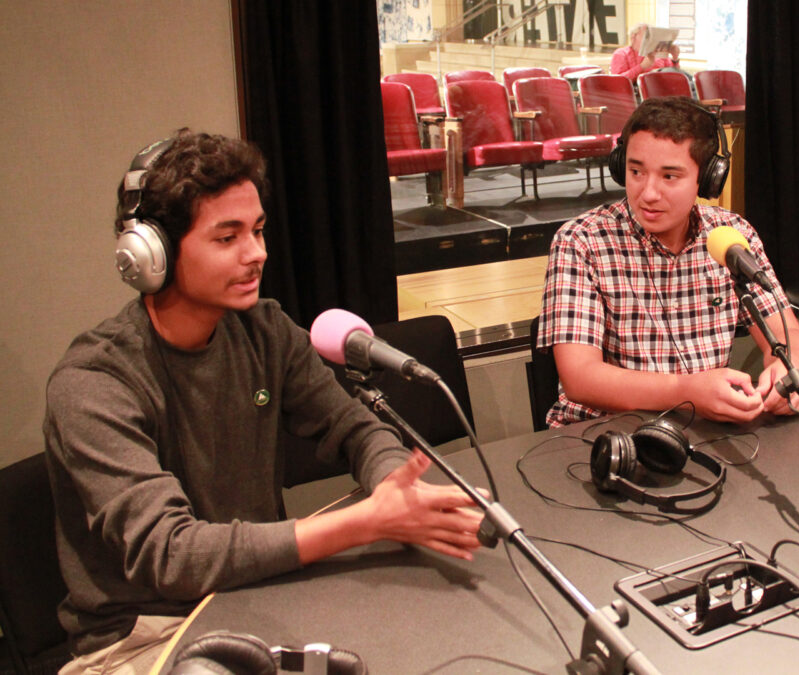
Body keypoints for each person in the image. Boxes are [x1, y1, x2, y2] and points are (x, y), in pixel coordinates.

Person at [43, 130, 484, 673]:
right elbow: (172, 555)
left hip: (253, 597)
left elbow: (355, 427)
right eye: (227, 238)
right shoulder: (94, 381)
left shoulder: (264, 329)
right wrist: (369, 522)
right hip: (139, 639)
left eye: (257, 230)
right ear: (150, 253)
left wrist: (394, 484)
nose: (258, 254)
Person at [536, 97, 799, 428]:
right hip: (605, 436)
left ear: (708, 179)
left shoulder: (732, 235)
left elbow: (789, 337)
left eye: (669, 177)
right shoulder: (581, 241)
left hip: (701, 432)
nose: (648, 193)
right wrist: (685, 391)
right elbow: (580, 379)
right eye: (636, 171)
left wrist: (786, 373)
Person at [610, 23, 681, 81]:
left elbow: (674, 76)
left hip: (661, 89)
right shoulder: (621, 54)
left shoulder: (658, 53)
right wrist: (642, 67)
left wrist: (675, 58)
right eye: (647, 36)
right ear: (633, 37)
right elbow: (618, 81)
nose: (651, 40)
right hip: (636, 93)